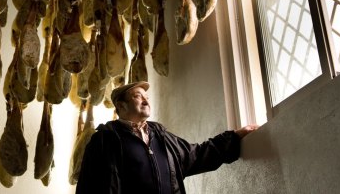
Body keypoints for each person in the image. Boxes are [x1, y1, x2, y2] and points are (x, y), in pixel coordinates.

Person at [76, 81, 258, 194]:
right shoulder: (103, 141)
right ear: (121, 107)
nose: (146, 100)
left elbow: (198, 155)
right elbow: (87, 188)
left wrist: (235, 136)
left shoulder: (161, 136)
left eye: (147, 96)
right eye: (138, 97)